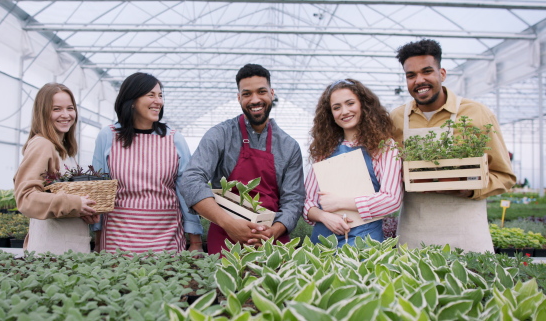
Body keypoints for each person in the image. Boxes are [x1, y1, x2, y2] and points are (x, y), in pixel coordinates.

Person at [391, 39, 516, 253]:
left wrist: (470, 189)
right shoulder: (396, 118)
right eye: (411, 75)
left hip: (466, 231)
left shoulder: (477, 113)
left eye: (427, 71)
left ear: (442, 73)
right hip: (414, 231)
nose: (419, 80)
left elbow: (505, 176)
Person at [180, 64, 305, 254]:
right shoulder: (220, 135)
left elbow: (293, 199)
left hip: (273, 240)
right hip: (226, 238)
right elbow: (190, 181)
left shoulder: (289, 146)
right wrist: (228, 223)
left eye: (261, 91)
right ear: (239, 98)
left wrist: (274, 231)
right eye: (247, 94)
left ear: (272, 93)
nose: (255, 99)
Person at [92, 72, 203, 254]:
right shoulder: (108, 136)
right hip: (117, 240)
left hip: (166, 239)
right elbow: (99, 190)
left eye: (160, 95)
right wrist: (97, 239)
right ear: (132, 100)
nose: (158, 101)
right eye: (151, 95)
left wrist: (196, 241)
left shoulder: (174, 138)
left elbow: (186, 190)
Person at [302, 79, 403, 247]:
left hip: (365, 241)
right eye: (336, 107)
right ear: (330, 114)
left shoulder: (384, 147)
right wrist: (324, 217)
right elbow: (308, 202)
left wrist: (340, 203)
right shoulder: (324, 149)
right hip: (324, 241)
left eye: (350, 103)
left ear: (363, 105)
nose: (344, 111)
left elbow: (392, 200)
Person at [14, 83, 99, 255]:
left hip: (65, 247)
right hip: (53, 251)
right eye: (57, 109)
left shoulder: (62, 148)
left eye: (70, 108)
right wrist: (73, 203)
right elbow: (26, 198)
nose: (66, 115)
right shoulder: (42, 145)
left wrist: (82, 211)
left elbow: (57, 196)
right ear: (43, 112)